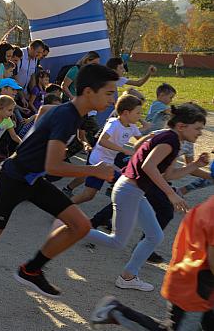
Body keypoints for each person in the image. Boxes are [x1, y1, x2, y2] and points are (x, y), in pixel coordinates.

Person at [0, 64, 119, 297]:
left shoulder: (70, 111)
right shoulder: (67, 116)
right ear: (89, 92)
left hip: (32, 180)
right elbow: (53, 166)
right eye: (109, 93)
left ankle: (31, 270)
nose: (113, 100)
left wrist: (39, 140)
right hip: (13, 179)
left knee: (81, 226)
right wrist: (94, 170)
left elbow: (43, 110)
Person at [83, 103, 209, 292]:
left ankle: (128, 276)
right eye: (198, 128)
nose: (200, 133)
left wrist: (195, 165)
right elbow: (148, 166)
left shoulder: (171, 138)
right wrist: (171, 194)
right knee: (117, 241)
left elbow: (169, 175)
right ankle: (70, 228)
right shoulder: (170, 140)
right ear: (182, 126)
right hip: (129, 190)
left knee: (155, 235)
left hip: (133, 191)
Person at [90, 195, 214, 330]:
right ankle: (115, 311)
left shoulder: (207, 206)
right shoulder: (210, 211)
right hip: (195, 292)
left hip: (198, 286)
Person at [69, 94, 144, 208]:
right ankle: (63, 208)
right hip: (98, 162)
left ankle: (113, 195)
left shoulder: (132, 126)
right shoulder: (114, 123)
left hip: (108, 163)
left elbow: (142, 141)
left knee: (90, 195)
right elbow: (102, 141)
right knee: (89, 195)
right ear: (126, 113)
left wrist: (152, 139)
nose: (140, 116)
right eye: (138, 113)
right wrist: (124, 150)